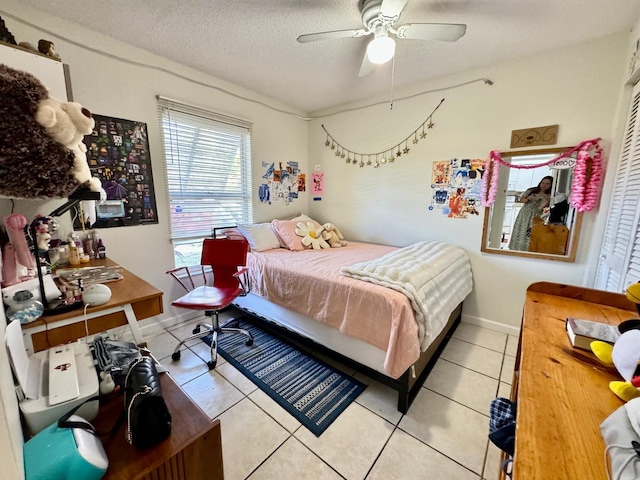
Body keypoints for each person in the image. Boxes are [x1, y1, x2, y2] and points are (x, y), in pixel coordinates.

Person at [509, 176, 553, 251]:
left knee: (530, 233)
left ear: (551, 185)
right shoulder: (531, 190)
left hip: (536, 216)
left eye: (547, 184)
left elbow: (545, 208)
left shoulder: (549, 196)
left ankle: (527, 250)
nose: (544, 185)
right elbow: (521, 200)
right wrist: (527, 199)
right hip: (524, 214)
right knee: (520, 231)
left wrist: (546, 200)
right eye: (543, 183)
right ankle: (516, 248)